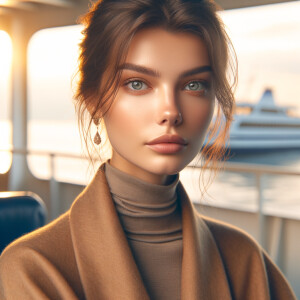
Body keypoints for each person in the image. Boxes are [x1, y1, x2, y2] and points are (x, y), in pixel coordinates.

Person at [0, 0, 296, 299]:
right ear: (93, 98)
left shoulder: (246, 261)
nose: (170, 111)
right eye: (138, 84)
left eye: (194, 85)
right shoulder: (33, 268)